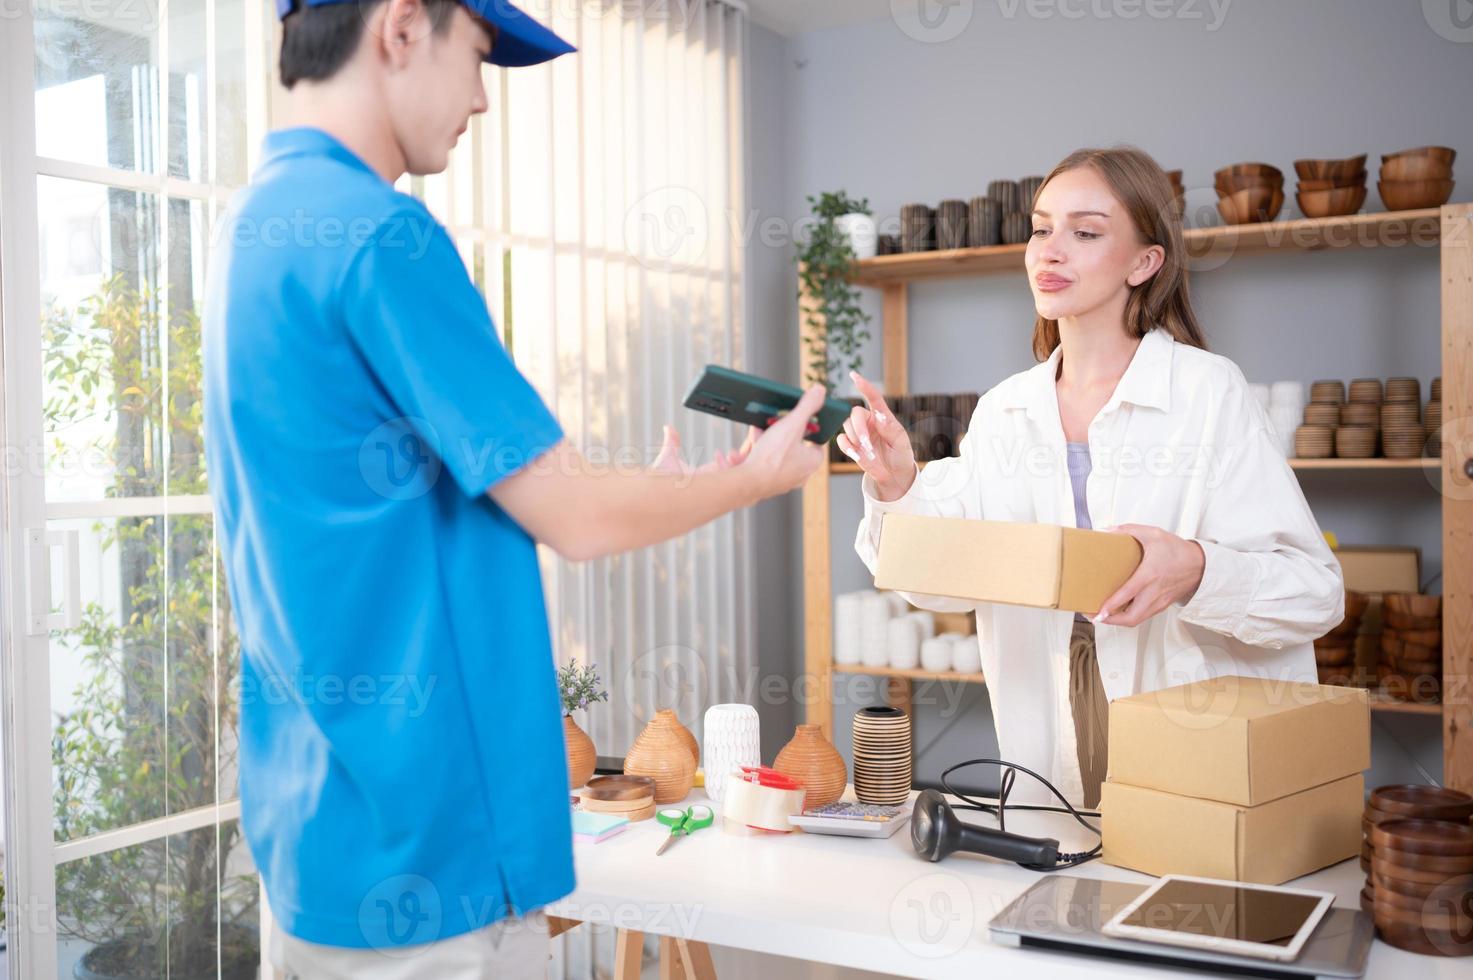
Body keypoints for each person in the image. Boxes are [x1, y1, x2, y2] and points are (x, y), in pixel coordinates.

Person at [202, 0, 823, 974]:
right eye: (480, 56)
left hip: (320, 834)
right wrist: (759, 476)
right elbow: (570, 513)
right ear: (403, 27)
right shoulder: (381, 235)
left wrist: (651, 489)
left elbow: (408, 507)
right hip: (435, 853)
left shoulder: (256, 228)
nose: (483, 101)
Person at [844, 146, 1344, 812]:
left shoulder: (1205, 392)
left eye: (1084, 232)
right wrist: (897, 485)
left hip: (1190, 731)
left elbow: (1314, 595)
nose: (1049, 251)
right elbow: (932, 582)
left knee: (1174, 893)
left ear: (1145, 262)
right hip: (1047, 735)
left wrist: (1193, 570)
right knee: (1057, 890)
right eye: (1040, 228)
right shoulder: (1004, 411)